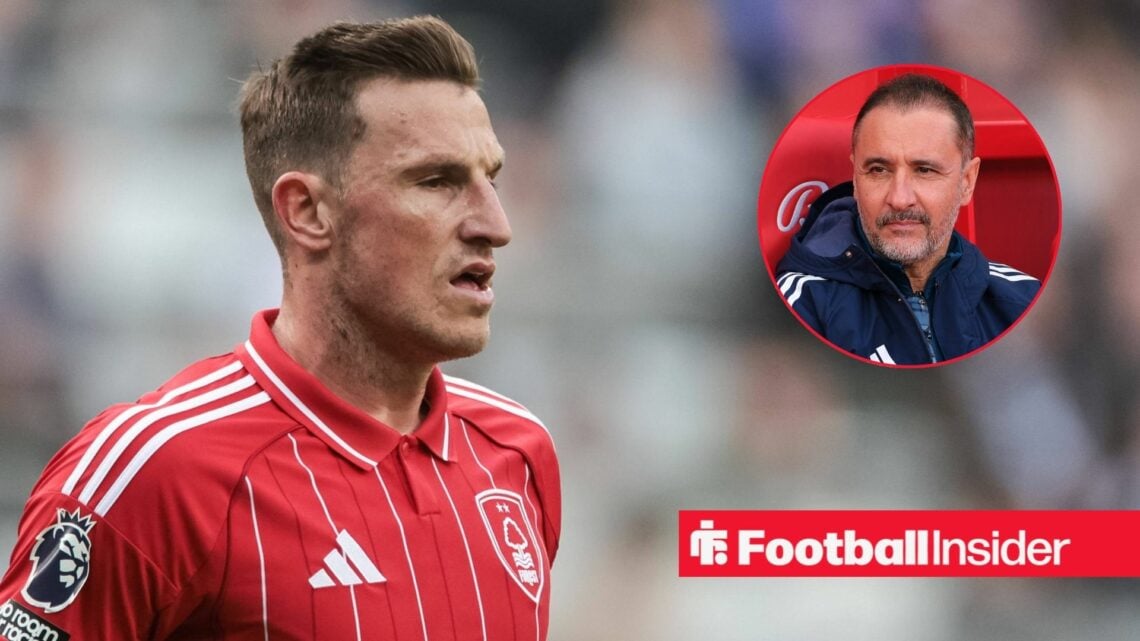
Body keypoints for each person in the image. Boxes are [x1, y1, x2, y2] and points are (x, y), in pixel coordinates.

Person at [0, 16, 560, 641]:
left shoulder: (518, 453)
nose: (495, 223)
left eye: (492, 178)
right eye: (436, 181)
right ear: (307, 211)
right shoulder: (153, 471)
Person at [776, 73, 1040, 365]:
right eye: (879, 170)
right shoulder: (801, 305)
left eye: (924, 170)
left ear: (967, 182)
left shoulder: (1023, 299)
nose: (900, 198)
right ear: (855, 177)